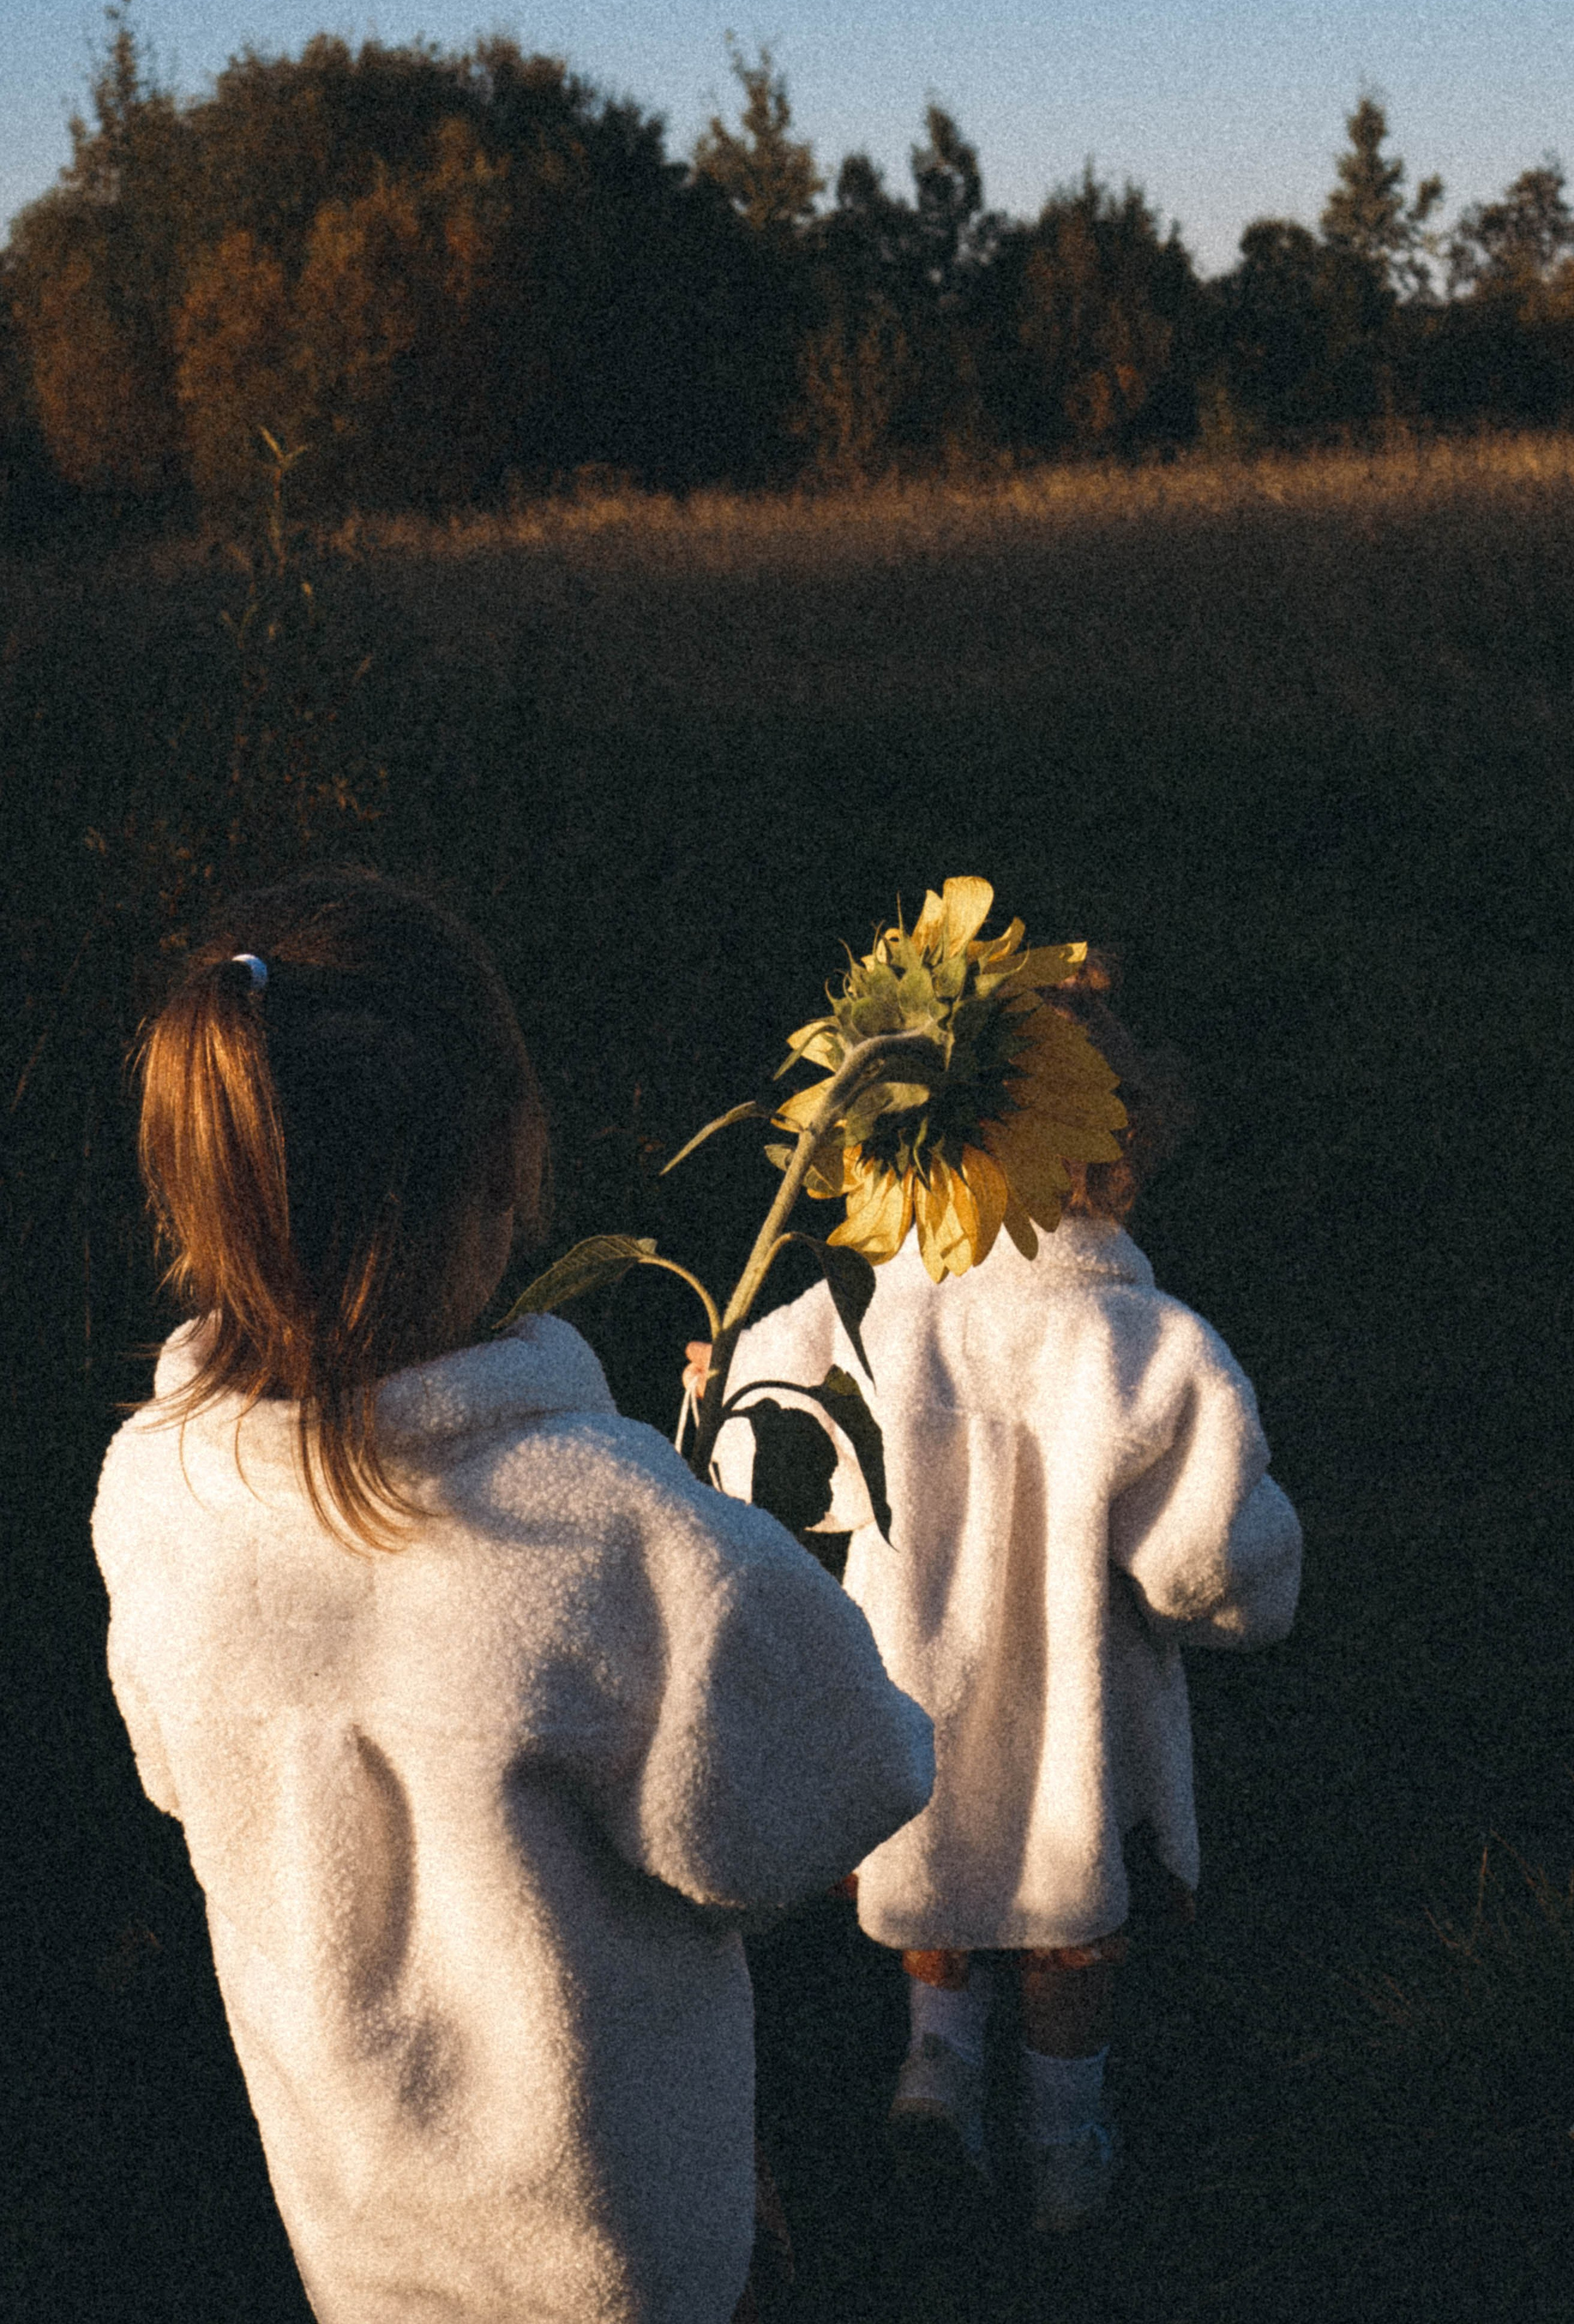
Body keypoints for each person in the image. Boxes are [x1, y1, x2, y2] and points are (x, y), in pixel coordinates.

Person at [92, 868, 934, 2324]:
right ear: (507, 1163)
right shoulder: (611, 1534)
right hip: (621, 2256)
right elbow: (837, 1783)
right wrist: (727, 1544)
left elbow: (175, 1775)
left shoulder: (154, 1493)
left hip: (359, 2239)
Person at [713, 956, 1302, 2234]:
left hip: (911, 1685)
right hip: (1074, 1713)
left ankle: (934, 2068)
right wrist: (1261, 1564)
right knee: (1064, 1926)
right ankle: (1063, 2146)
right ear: (1118, 1153)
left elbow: (761, 1456)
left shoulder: (872, 1313)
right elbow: (1209, 1567)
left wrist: (719, 1383)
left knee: (936, 1877)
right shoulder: (1140, 1345)